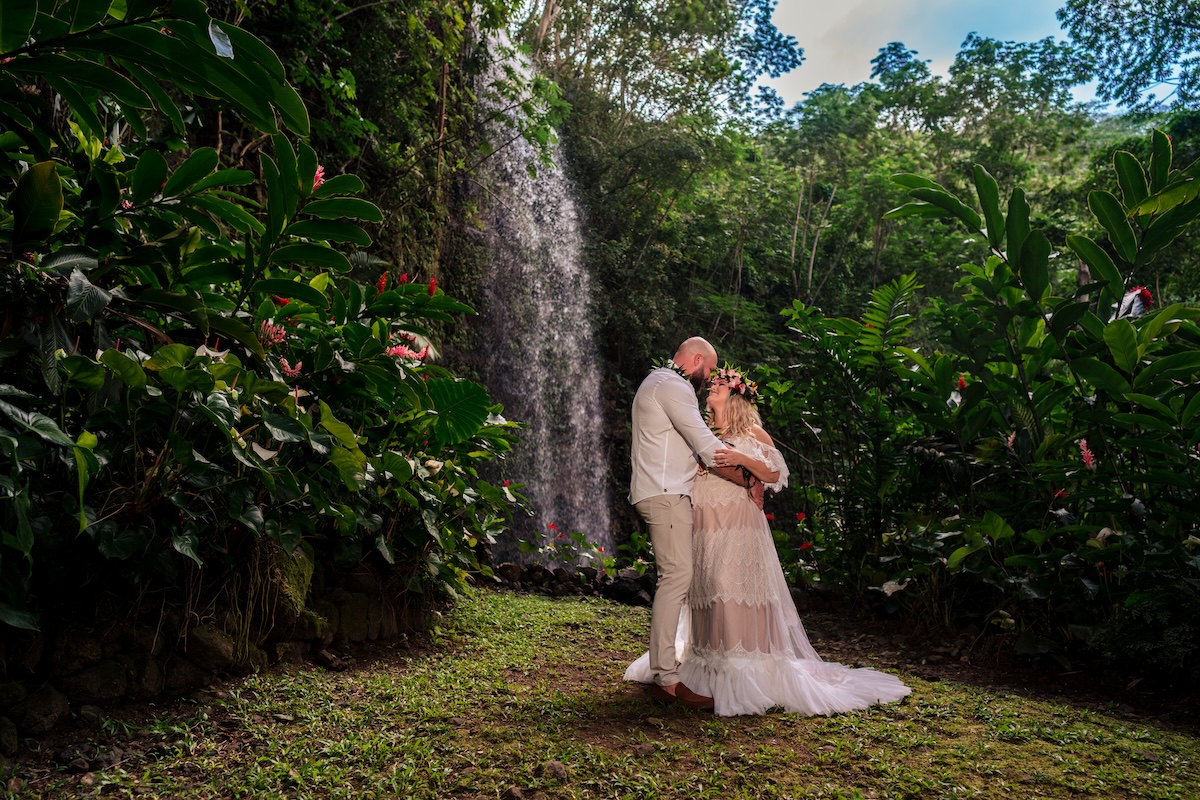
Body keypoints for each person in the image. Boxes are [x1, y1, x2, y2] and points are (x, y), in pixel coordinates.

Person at [627, 365, 911, 716]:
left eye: (719, 383)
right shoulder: (698, 432)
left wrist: (743, 461)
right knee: (708, 593)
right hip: (702, 527)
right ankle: (704, 664)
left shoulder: (752, 432)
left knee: (734, 592)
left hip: (738, 528)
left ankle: (744, 669)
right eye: (711, 382)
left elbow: (777, 473)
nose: (711, 386)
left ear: (736, 394)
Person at [629, 337, 747, 708]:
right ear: (696, 359)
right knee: (676, 576)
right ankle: (666, 678)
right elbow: (708, 447)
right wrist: (753, 479)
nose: (708, 377)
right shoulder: (674, 386)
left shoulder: (659, 382)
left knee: (676, 575)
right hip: (665, 494)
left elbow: (686, 446)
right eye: (709, 370)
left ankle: (666, 667)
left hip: (662, 490)